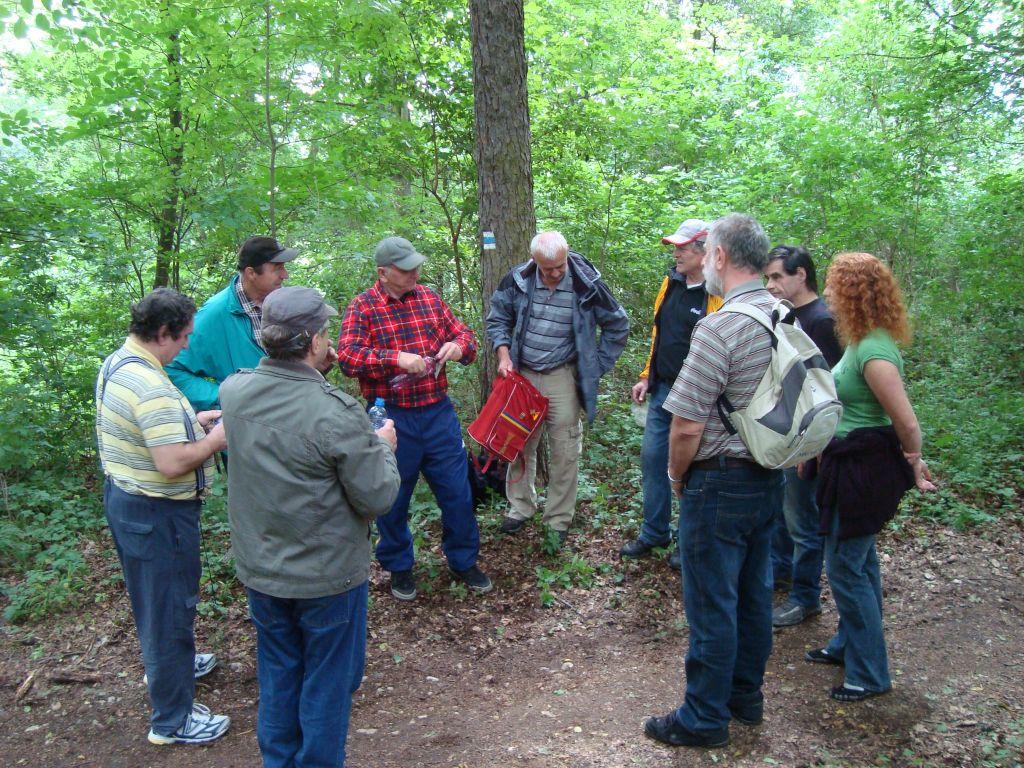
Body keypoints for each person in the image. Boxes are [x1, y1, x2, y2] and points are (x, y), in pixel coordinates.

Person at [220, 286, 401, 767]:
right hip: (326, 577)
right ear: (315, 340)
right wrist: (382, 446)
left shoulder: (234, 391)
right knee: (328, 680)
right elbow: (378, 497)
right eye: (325, 332)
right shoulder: (333, 412)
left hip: (263, 570)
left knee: (279, 671)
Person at [644, 214, 783, 749]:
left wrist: (676, 477)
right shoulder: (782, 314)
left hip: (719, 483)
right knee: (753, 594)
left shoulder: (719, 327)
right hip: (768, 476)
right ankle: (745, 697)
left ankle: (703, 717)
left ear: (720, 256)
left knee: (711, 603)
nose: (703, 261)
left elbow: (686, 425)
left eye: (707, 253)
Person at [95, 288, 230, 746]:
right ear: (164, 332)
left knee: (155, 602)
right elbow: (172, 463)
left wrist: (197, 422)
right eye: (185, 336)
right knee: (169, 608)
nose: (188, 344)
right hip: (157, 513)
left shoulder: (121, 362)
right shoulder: (149, 385)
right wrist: (216, 439)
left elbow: (152, 432)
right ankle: (173, 720)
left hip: (130, 502)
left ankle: (173, 667)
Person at [807, 252, 935, 702]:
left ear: (855, 292)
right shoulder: (860, 341)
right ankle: (848, 646)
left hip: (863, 469)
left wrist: (914, 462)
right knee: (859, 563)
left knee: (846, 567)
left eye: (834, 285)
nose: (826, 292)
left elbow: (905, 421)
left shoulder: (874, 349)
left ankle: (869, 673)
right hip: (849, 464)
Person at [337, 235, 490, 601]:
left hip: (437, 413)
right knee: (393, 496)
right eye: (406, 270)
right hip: (390, 416)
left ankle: (463, 560)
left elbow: (466, 337)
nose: (415, 274)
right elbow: (348, 358)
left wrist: (459, 347)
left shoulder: (430, 299)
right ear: (383, 273)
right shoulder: (363, 307)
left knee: (457, 491)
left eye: (416, 267)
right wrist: (395, 358)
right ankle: (399, 566)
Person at [486, 231, 629, 546]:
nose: (555, 273)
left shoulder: (587, 284)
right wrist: (504, 355)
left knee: (565, 449)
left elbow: (618, 324)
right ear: (534, 261)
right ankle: (520, 507)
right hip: (522, 374)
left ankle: (558, 519)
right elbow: (498, 319)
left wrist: (594, 368)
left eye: (560, 266)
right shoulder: (518, 280)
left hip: (563, 375)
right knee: (518, 443)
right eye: (547, 268)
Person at [620, 219, 723, 568]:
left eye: (683, 247)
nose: (676, 253)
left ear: (704, 251)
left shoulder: (718, 293)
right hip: (663, 390)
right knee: (653, 461)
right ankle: (655, 532)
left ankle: (687, 539)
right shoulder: (671, 282)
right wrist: (646, 376)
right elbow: (659, 334)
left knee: (691, 469)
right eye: (675, 247)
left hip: (697, 398)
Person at [763, 244, 843, 626]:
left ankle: (806, 596)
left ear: (801, 275)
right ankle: (781, 573)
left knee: (802, 520)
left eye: (777, 276)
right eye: (767, 277)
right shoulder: (786, 315)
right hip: (785, 435)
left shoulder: (821, 321)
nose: (770, 284)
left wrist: (815, 447)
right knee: (782, 512)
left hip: (808, 441)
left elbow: (829, 389)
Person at [167, 235, 298, 411]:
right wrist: (224, 397)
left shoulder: (282, 305)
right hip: (248, 420)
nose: (285, 275)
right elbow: (172, 370)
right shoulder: (215, 314)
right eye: (277, 268)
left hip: (287, 413)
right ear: (251, 273)